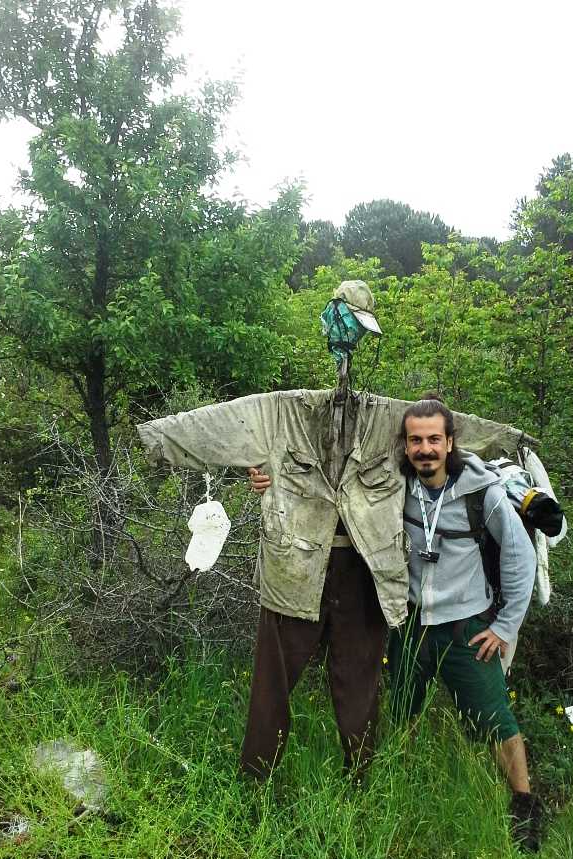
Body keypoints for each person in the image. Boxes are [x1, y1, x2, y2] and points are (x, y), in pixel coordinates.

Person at [139, 283, 531, 781]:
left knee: (360, 683)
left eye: (434, 441)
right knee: (273, 683)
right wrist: (159, 440)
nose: (425, 446)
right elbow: (216, 427)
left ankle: (360, 781)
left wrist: (514, 444)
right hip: (293, 569)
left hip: (366, 574)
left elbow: (458, 436)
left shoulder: (392, 421)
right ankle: (255, 779)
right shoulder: (282, 412)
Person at [389, 394, 543, 851]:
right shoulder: (394, 486)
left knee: (497, 720)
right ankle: (404, 791)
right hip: (410, 625)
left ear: (450, 441)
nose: (425, 449)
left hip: (466, 629)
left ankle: (525, 807)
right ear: (405, 444)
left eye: (434, 439)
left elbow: (520, 556)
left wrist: (505, 626)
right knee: (401, 713)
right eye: (415, 440)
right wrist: (268, 478)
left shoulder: (483, 493)